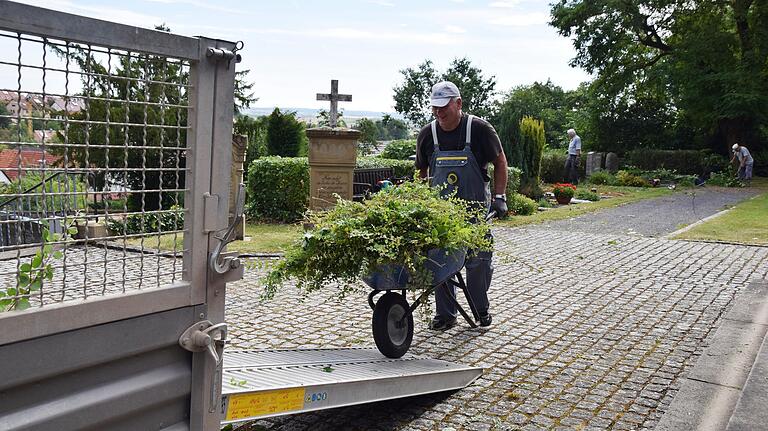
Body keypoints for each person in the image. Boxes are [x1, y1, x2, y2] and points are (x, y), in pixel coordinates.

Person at [415, 81, 508, 330]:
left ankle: (481, 309)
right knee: (440, 259)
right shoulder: (428, 134)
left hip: (474, 210)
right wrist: (419, 200)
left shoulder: (479, 129)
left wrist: (500, 197)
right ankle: (446, 315)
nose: (439, 113)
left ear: (458, 103)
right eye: (435, 108)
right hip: (441, 214)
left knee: (478, 261)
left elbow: (500, 162)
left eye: (443, 107)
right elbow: (421, 172)